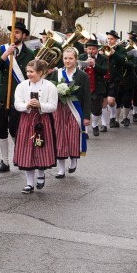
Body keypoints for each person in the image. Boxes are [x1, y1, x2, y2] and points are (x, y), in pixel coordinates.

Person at [0, 22, 35, 173]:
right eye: (12, 32)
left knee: (15, 129)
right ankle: (5, 161)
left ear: (23, 35)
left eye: (17, 32)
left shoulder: (29, 54)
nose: (14, 35)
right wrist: (5, 55)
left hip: (19, 98)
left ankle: (19, 156)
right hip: (1, 96)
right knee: (1, 129)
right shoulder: (3, 49)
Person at [13, 59, 58, 193]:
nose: (29, 74)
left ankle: (41, 174)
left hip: (42, 121)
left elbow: (53, 106)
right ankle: (29, 183)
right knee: (27, 151)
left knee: (40, 147)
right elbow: (17, 104)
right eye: (27, 71)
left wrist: (40, 105)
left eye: (32, 72)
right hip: (26, 121)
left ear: (40, 72)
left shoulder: (50, 86)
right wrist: (26, 105)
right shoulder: (21, 86)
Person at [50, 48, 91, 178]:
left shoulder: (82, 76)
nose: (68, 61)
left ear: (76, 59)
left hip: (75, 108)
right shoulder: (57, 74)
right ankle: (61, 169)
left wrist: (86, 116)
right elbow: (50, 90)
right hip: (59, 109)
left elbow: (86, 96)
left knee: (73, 135)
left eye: (70, 58)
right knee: (59, 136)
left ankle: (73, 160)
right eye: (65, 58)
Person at [78, 39, 108, 136]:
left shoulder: (103, 58)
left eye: (93, 49)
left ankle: (95, 124)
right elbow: (76, 70)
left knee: (96, 109)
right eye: (89, 49)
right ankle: (85, 131)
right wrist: (82, 66)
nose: (91, 51)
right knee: (84, 108)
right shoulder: (81, 57)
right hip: (84, 87)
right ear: (86, 49)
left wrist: (94, 64)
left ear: (97, 49)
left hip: (97, 86)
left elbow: (104, 71)